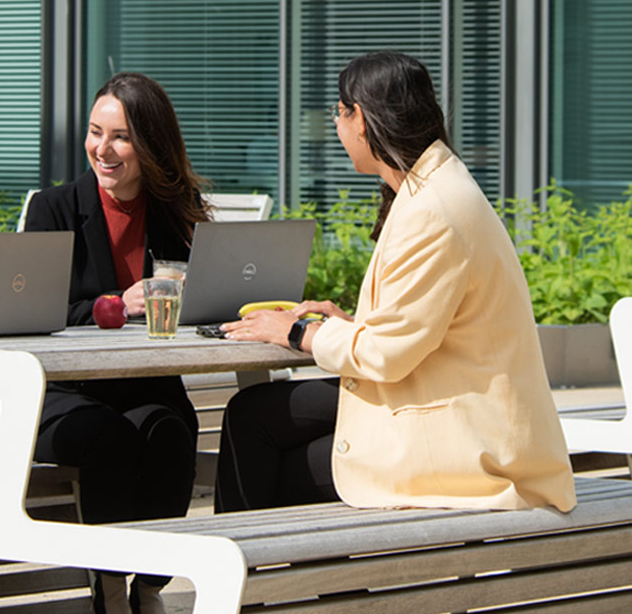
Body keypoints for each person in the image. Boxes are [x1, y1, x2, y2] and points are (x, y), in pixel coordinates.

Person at [214, 51, 576, 515]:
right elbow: (418, 330)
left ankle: (245, 556)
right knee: (255, 415)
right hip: (442, 399)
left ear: (361, 119)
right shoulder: (436, 186)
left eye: (339, 112)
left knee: (273, 455)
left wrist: (298, 331)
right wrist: (348, 325)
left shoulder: (432, 210)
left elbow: (387, 354)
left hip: (467, 440)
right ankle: (257, 557)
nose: (336, 126)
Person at [23, 71, 209, 614]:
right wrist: (115, 304)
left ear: (150, 143)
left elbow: (200, 297)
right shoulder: (53, 210)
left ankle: (149, 586)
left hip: (146, 382)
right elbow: (36, 312)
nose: (102, 149)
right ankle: (107, 586)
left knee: (171, 431)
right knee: (109, 438)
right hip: (68, 390)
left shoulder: (176, 209)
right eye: (94, 132)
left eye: (120, 137)